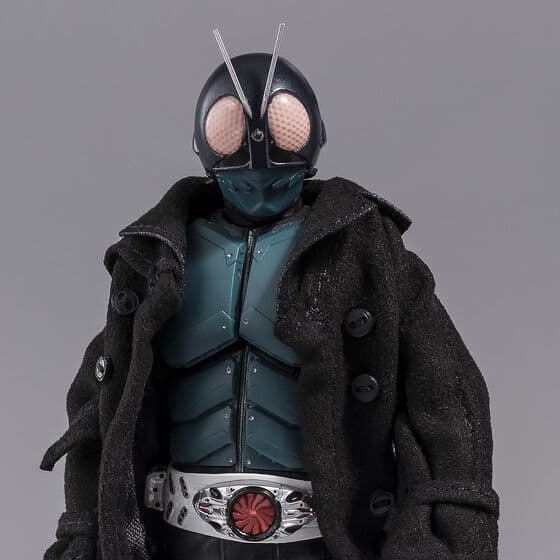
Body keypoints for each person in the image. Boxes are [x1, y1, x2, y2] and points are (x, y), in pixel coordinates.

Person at [41, 25, 499, 560]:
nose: (257, 151)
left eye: (284, 127)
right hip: (180, 535)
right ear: (204, 139)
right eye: (230, 129)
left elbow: (448, 405)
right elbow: (103, 409)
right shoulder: (155, 262)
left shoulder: (366, 257)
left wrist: (442, 537)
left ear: (312, 134)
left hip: (324, 540)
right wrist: (86, 530)